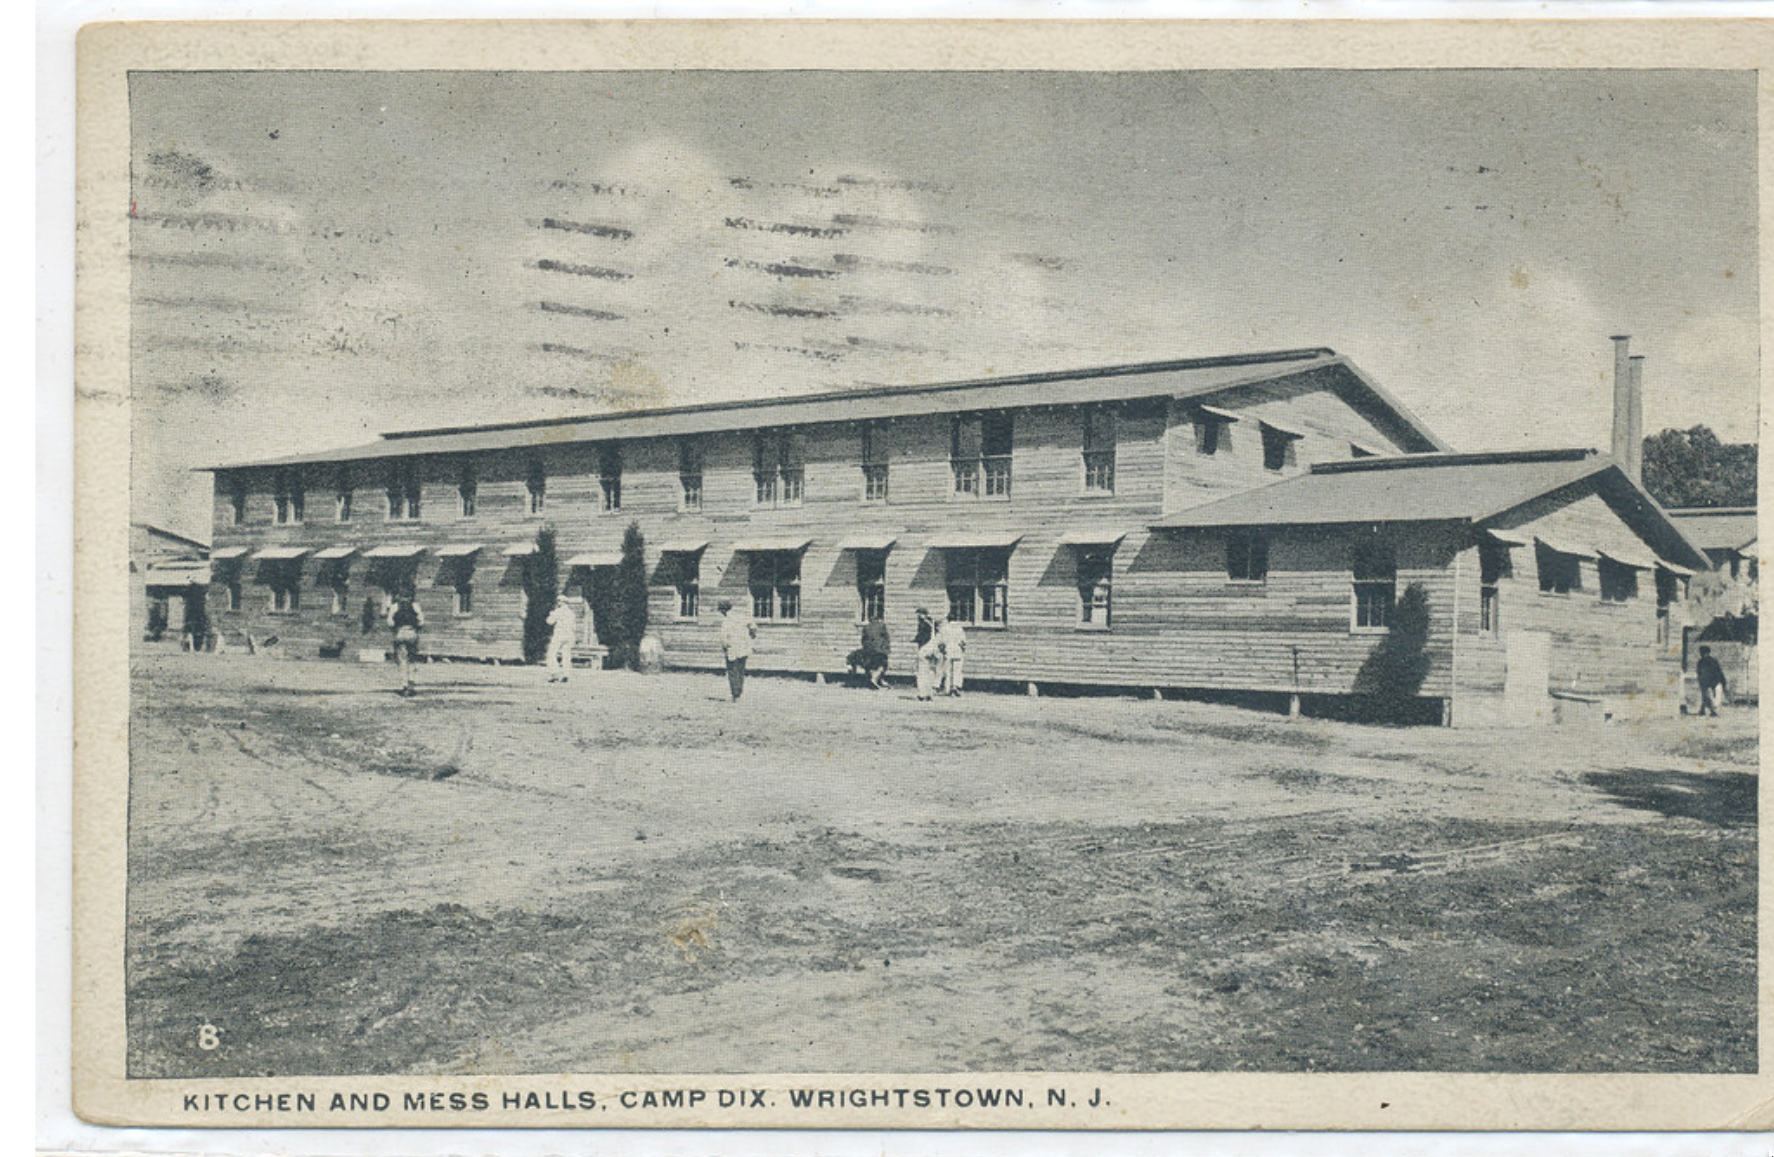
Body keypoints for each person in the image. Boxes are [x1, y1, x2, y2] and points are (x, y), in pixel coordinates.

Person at [386, 588, 425, 697]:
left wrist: (396, 628)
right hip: (412, 633)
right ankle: (412, 683)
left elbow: (390, 622)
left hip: (400, 633)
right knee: (412, 659)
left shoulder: (395, 606)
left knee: (402, 660)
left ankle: (404, 686)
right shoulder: (415, 606)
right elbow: (421, 621)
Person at [718, 598, 757, 701]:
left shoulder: (726, 621)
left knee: (732, 671)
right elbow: (752, 625)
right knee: (740, 670)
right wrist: (752, 635)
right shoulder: (741, 616)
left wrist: (725, 647)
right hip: (744, 647)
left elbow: (723, 638)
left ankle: (735, 695)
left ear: (723, 610)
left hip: (733, 648)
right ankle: (739, 692)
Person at [849, 610, 890, 689]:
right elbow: (886, 638)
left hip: (869, 651)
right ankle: (874, 680)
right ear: (878, 619)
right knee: (883, 665)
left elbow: (863, 640)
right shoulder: (882, 626)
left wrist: (866, 647)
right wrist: (886, 649)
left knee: (870, 666)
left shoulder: (866, 627)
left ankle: (877, 680)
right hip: (879, 651)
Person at [545, 595, 577, 683]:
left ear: (561, 602)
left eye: (559, 601)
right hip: (569, 635)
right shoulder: (571, 613)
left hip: (559, 635)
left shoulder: (558, 611)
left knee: (551, 653)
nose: (558, 603)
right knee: (566, 655)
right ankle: (566, 674)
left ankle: (554, 672)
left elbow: (549, 622)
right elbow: (574, 626)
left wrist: (551, 614)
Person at [937, 612, 967, 697]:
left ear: (948, 619)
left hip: (948, 650)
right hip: (957, 650)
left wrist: (942, 649)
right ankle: (955, 686)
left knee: (948, 670)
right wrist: (962, 649)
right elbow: (963, 641)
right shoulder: (959, 628)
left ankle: (948, 688)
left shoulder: (944, 628)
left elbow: (941, 641)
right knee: (957, 670)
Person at [913, 607, 938, 701]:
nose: (918, 616)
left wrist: (916, 639)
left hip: (925, 648)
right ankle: (929, 693)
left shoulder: (923, 624)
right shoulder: (933, 623)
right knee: (931, 671)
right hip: (933, 648)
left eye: (919, 614)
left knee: (922, 671)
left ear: (922, 614)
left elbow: (923, 636)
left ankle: (922, 694)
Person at [1696, 645, 1728, 716]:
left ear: (1707, 653)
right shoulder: (1701, 662)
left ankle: (1708, 711)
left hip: (1713, 681)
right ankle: (1706, 711)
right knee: (1706, 697)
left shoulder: (1711, 661)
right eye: (1702, 653)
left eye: (1704, 653)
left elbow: (1718, 672)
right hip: (1707, 682)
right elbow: (1699, 673)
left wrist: (1723, 682)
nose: (1702, 654)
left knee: (1711, 698)